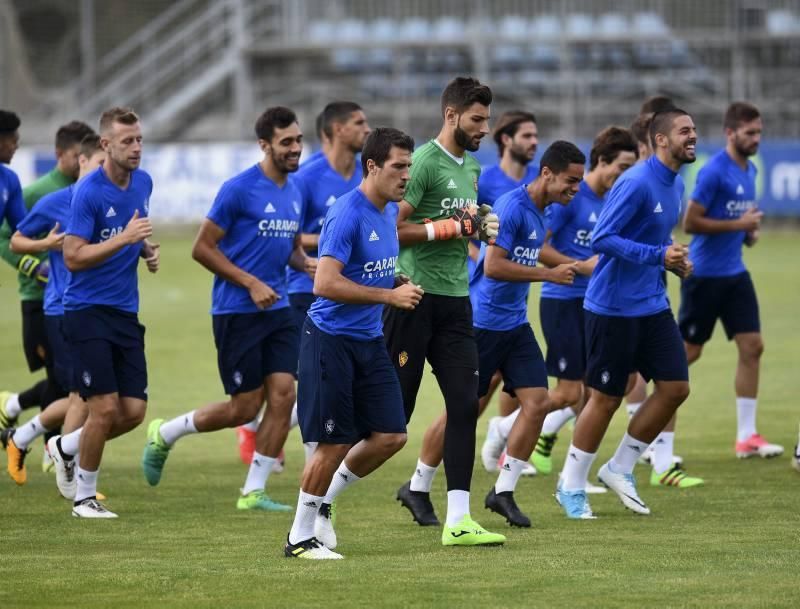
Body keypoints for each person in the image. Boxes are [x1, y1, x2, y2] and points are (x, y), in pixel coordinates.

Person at [141, 106, 314, 512]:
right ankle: (165, 433)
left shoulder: (295, 190)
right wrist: (250, 282)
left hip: (278, 307)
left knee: (284, 394)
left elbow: (289, 248)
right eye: (286, 142)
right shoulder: (239, 189)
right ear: (264, 144)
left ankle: (253, 490)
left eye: (298, 140)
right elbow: (202, 247)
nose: (295, 149)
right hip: (236, 309)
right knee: (244, 408)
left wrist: (307, 263)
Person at [285, 127, 421, 559]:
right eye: (399, 167)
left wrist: (393, 278)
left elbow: (368, 267)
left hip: (368, 340)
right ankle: (298, 539)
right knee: (333, 442)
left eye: (409, 167)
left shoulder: (388, 211)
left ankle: (324, 501)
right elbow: (324, 282)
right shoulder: (348, 212)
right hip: (331, 340)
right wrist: (389, 296)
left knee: (391, 436)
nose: (406, 176)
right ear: (373, 166)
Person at [556, 108, 697, 519]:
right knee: (605, 399)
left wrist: (672, 260)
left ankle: (619, 467)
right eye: (684, 131)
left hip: (652, 304)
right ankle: (571, 485)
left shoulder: (676, 183)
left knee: (675, 388)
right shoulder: (635, 182)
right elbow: (603, 239)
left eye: (693, 131)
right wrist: (657, 255)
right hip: (612, 308)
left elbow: (658, 235)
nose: (693, 137)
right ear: (661, 140)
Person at [384, 77, 504, 546]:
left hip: (456, 302)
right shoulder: (424, 164)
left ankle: (459, 520)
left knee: (464, 406)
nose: (484, 128)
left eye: (487, 120)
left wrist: (482, 226)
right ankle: (323, 496)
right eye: (477, 120)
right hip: (414, 300)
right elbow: (395, 227)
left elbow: (463, 225)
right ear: (452, 116)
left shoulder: (472, 168)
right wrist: (455, 226)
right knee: (393, 417)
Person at [474, 141, 584, 527]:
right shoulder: (511, 207)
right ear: (547, 174)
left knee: (537, 403)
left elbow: (533, 253)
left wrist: (575, 265)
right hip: (483, 322)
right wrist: (549, 275)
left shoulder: (544, 211)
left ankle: (502, 491)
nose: (576, 188)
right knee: (464, 410)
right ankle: (419, 484)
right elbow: (493, 266)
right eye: (570, 181)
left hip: (515, 324)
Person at [523, 127, 639, 477]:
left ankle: (569, 465)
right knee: (570, 392)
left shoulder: (613, 200)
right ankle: (507, 429)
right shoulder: (571, 197)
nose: (625, 175)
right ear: (601, 162)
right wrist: (576, 266)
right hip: (562, 300)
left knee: (610, 384)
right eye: (621, 166)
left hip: (596, 304)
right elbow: (537, 247)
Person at [60, 107, 158, 518]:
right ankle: (85, 497)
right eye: (127, 141)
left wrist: (145, 250)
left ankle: (63, 445)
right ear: (105, 145)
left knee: (133, 412)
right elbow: (73, 256)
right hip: (86, 311)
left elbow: (130, 236)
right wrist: (126, 239)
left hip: (124, 312)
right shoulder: (89, 192)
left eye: (138, 139)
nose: (136, 148)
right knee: (103, 407)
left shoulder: (144, 183)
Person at [2, 134, 109, 489]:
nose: (104, 172)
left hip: (101, 308)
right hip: (64, 310)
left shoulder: (107, 198)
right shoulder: (54, 200)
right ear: (81, 161)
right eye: (98, 164)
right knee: (85, 395)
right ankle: (69, 471)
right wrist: (45, 246)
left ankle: (27, 440)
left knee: (92, 395)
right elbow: (15, 239)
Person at [680, 102, 782, 460]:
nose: (756, 139)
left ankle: (746, 436)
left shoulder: (750, 171)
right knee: (686, 354)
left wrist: (746, 234)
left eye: (758, 132)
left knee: (753, 347)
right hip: (704, 276)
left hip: (735, 274)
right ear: (729, 132)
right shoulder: (713, 172)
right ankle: (640, 404)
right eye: (749, 132)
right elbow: (690, 222)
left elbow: (737, 225)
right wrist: (739, 225)